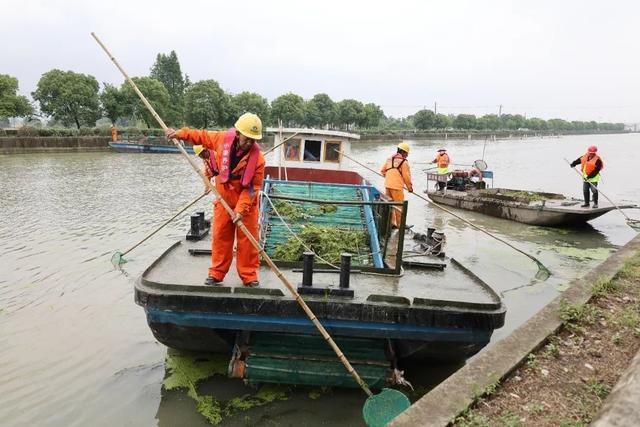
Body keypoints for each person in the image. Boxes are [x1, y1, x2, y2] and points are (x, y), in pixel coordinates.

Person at [165, 113, 265, 287]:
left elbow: (252, 189)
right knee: (220, 237)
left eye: (253, 140)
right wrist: (179, 133)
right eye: (246, 138)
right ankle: (217, 274)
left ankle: (249, 275)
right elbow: (200, 136)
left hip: (246, 204)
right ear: (238, 133)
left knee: (248, 241)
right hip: (223, 198)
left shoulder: (259, 160)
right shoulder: (221, 139)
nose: (249, 143)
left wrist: (240, 210)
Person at [380, 142, 413, 229]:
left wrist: (389, 177)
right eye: (406, 153)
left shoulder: (389, 159)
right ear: (403, 152)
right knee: (399, 206)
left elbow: (383, 171)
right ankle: (400, 225)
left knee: (390, 205)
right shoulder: (404, 162)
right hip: (397, 187)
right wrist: (410, 188)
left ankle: (392, 223)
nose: (407, 155)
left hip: (387, 185)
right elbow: (407, 177)